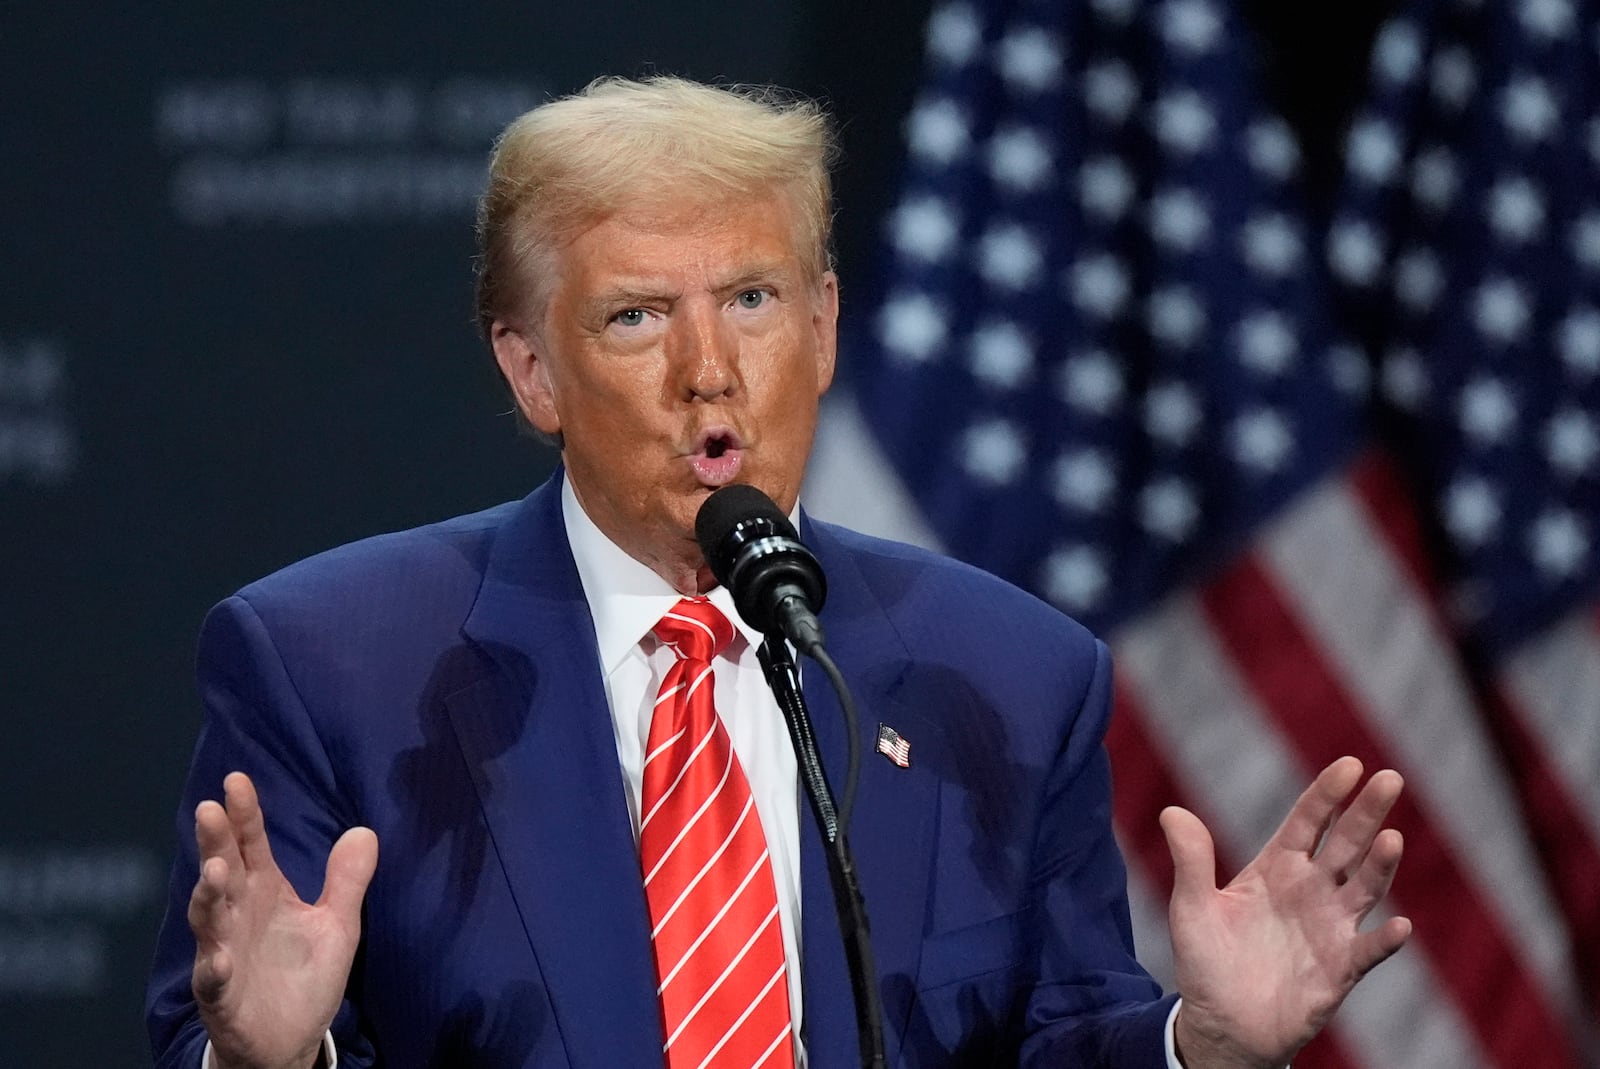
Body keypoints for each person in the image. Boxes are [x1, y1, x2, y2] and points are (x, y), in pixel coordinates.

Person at [147, 76, 1410, 1069]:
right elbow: (235, 1026)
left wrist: (1205, 1050)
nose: (711, 370)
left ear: (823, 327)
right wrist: (273, 1063)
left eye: (751, 299)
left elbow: (1060, 1046)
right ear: (532, 371)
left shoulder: (1011, 678)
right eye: (636, 315)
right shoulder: (336, 667)